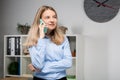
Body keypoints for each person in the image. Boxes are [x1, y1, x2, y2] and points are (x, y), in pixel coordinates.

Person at [24, 5, 72, 80]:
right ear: (40, 21)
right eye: (47, 17)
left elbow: (68, 63)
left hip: (61, 78)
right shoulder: (33, 39)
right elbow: (39, 65)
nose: (52, 20)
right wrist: (41, 39)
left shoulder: (63, 38)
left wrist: (43, 68)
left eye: (54, 17)